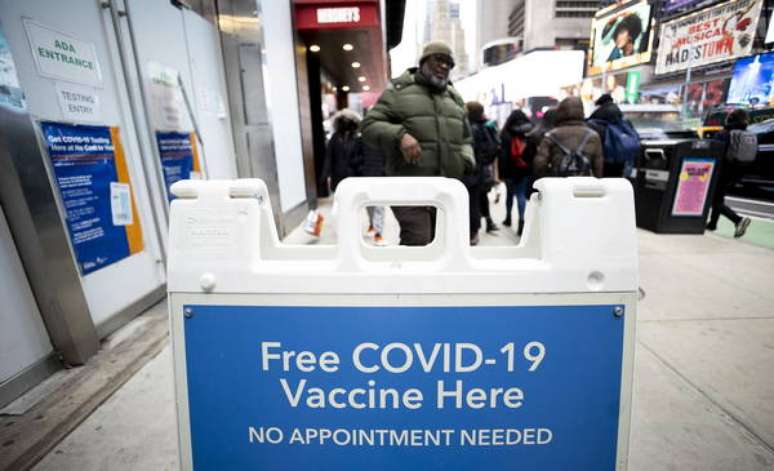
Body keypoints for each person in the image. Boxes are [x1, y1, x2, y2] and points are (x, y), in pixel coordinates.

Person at [361, 41, 475, 246]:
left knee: (445, 246)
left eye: (449, 63)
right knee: (419, 241)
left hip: (447, 189)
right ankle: (408, 278)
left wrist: (466, 159)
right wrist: (400, 136)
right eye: (438, 60)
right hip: (408, 187)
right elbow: (369, 126)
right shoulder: (398, 91)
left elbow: (466, 137)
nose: (444, 66)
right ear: (423, 62)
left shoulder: (454, 97)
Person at [707, 109, 752, 238]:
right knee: (718, 198)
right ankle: (712, 224)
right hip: (736, 172)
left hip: (720, 171)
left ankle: (738, 219)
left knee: (713, 200)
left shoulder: (724, 134)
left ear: (731, 119)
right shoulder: (746, 135)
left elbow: (713, 151)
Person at [534, 97, 604, 178]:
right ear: (581, 112)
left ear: (560, 112)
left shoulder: (551, 135)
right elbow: (598, 167)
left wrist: (549, 177)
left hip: (559, 184)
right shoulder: (593, 136)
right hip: (584, 184)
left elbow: (539, 164)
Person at [463, 101, 500, 245]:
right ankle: (475, 230)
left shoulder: (469, 128)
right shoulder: (485, 127)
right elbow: (492, 149)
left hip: (468, 170)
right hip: (480, 171)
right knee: (476, 200)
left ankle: (472, 231)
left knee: (471, 202)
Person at [498, 109, 534, 236]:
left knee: (509, 194)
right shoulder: (530, 131)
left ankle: (508, 218)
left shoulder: (505, 133)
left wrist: (501, 173)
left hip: (509, 169)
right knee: (521, 195)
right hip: (524, 169)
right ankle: (522, 222)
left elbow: (502, 156)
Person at [588, 94, 641, 177]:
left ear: (599, 106)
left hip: (605, 161)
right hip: (622, 160)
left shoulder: (596, 122)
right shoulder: (624, 121)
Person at [351, 141, 387, 245]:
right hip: (366, 178)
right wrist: (362, 169)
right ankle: (372, 225)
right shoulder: (361, 141)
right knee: (369, 205)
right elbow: (354, 159)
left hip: (380, 177)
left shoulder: (383, 141)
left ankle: (378, 234)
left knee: (380, 206)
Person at [320, 109, 360, 193]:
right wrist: (325, 175)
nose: (346, 124)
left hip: (353, 175)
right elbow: (329, 157)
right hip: (338, 174)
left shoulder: (357, 138)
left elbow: (361, 156)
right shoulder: (335, 138)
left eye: (348, 122)